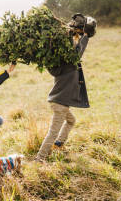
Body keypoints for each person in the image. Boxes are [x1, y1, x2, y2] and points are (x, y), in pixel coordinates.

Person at [35, 13, 96, 161]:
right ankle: (40, 158)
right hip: (60, 103)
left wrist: (75, 35)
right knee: (53, 131)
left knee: (71, 121)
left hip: (58, 101)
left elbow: (74, 51)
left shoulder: (60, 64)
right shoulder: (70, 63)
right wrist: (85, 37)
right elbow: (77, 54)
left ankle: (59, 143)